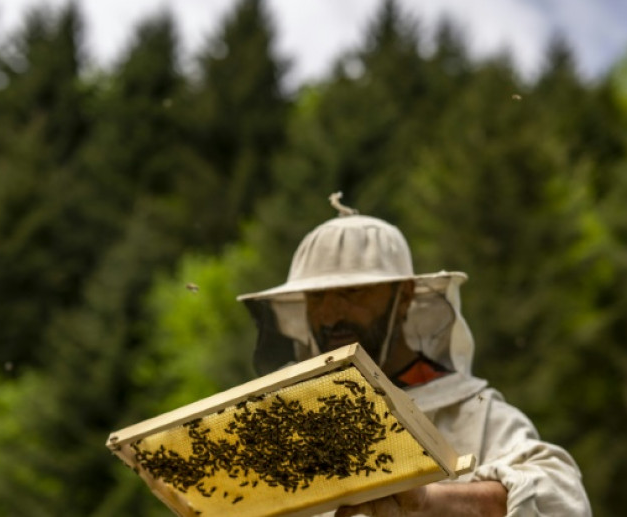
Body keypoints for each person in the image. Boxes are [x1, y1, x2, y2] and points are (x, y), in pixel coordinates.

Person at [237, 196, 591, 517]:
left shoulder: (472, 414)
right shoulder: (289, 423)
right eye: (316, 298)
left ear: (404, 295)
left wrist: (430, 502)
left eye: (352, 291)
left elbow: (562, 497)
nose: (329, 315)